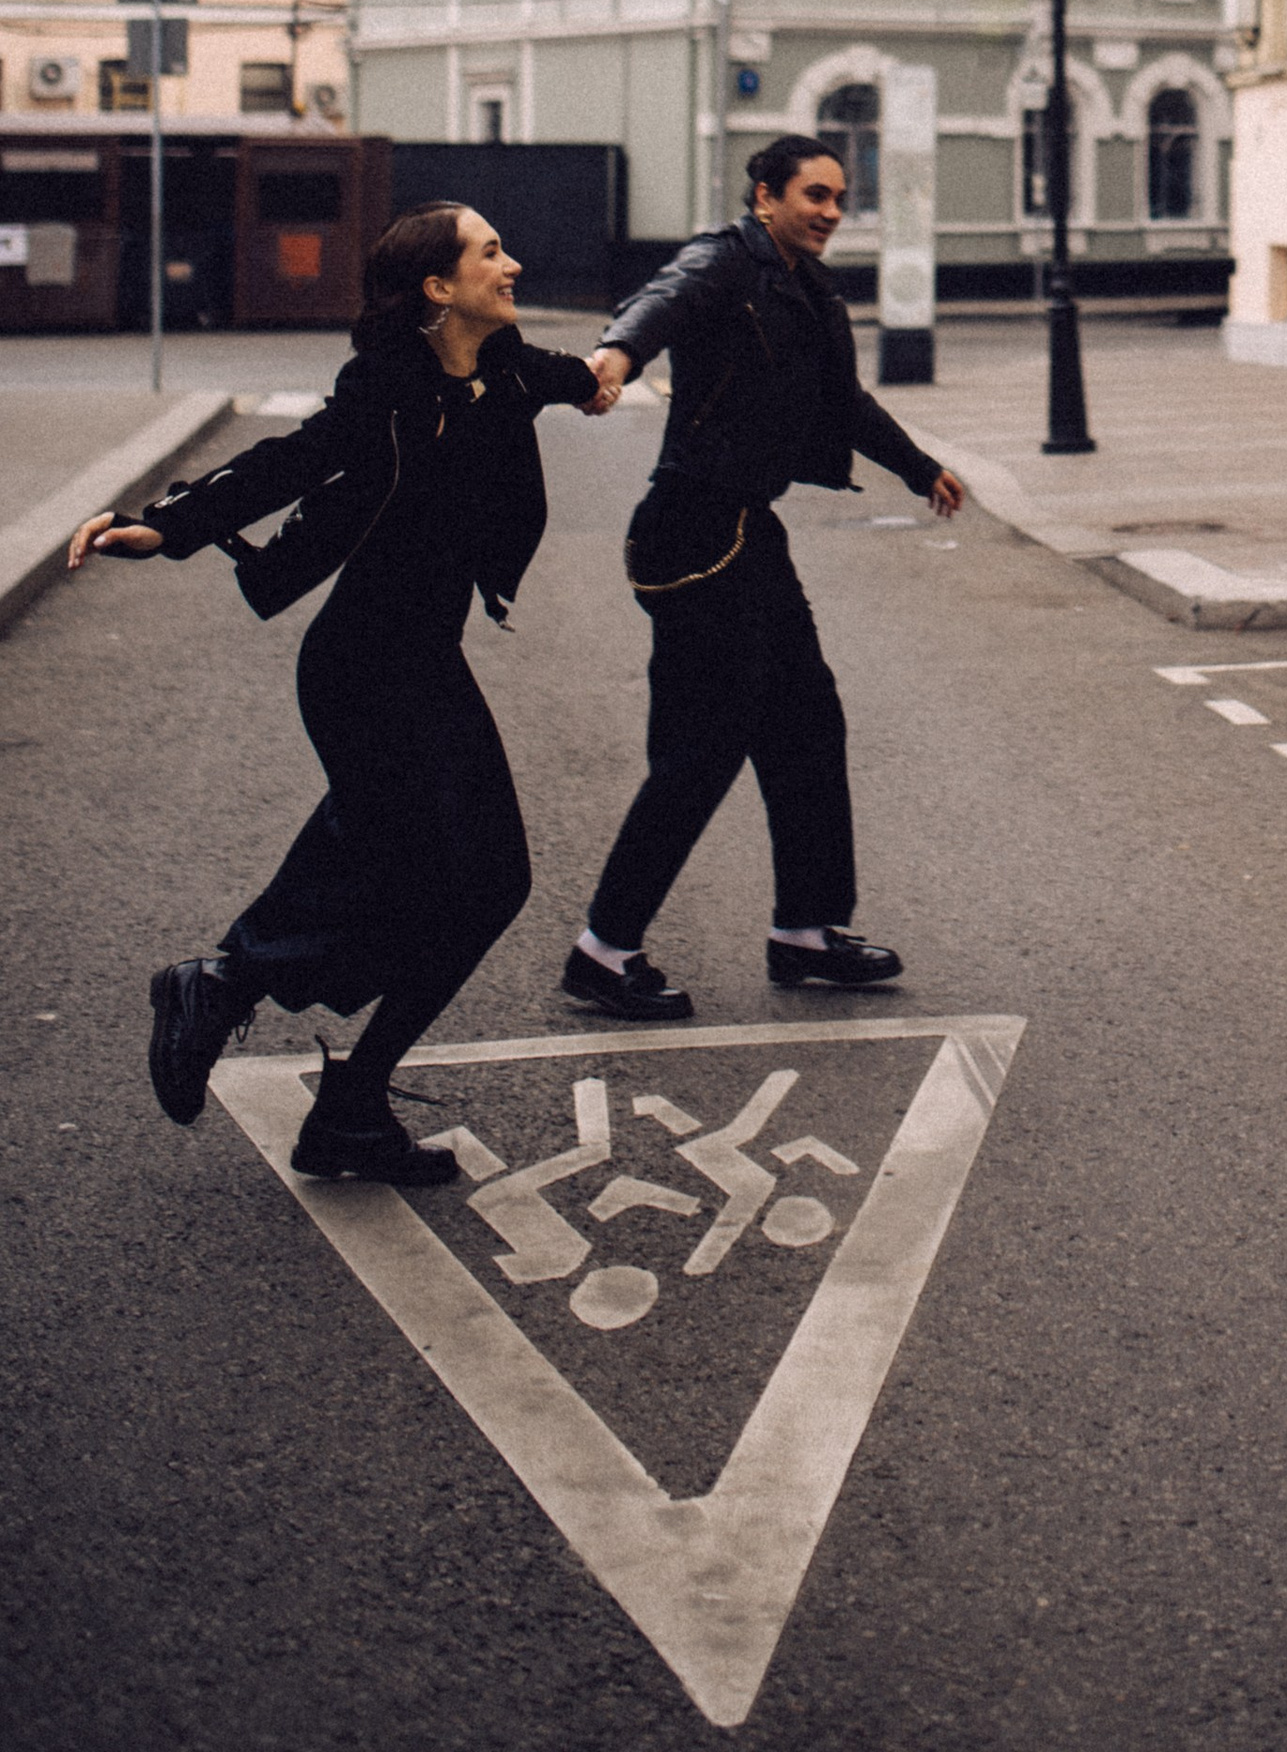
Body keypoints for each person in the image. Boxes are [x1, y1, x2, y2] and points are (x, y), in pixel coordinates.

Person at [68, 204, 614, 1184]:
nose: (515, 261)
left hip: (422, 660)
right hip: (362, 667)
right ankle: (244, 996)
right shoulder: (388, 386)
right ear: (438, 287)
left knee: (448, 871)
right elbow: (291, 459)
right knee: (458, 871)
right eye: (491, 251)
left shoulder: (510, 368)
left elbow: (583, 377)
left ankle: (324, 1079)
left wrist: (619, 363)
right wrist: (166, 524)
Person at [563, 133, 965, 1025]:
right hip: (694, 527)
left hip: (749, 526)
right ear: (764, 196)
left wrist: (916, 465)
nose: (829, 211)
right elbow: (656, 305)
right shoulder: (724, 262)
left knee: (808, 725)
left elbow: (841, 403)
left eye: (837, 197)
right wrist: (616, 358)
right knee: (701, 749)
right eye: (812, 195)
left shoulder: (807, 286)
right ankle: (604, 949)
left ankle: (807, 931)